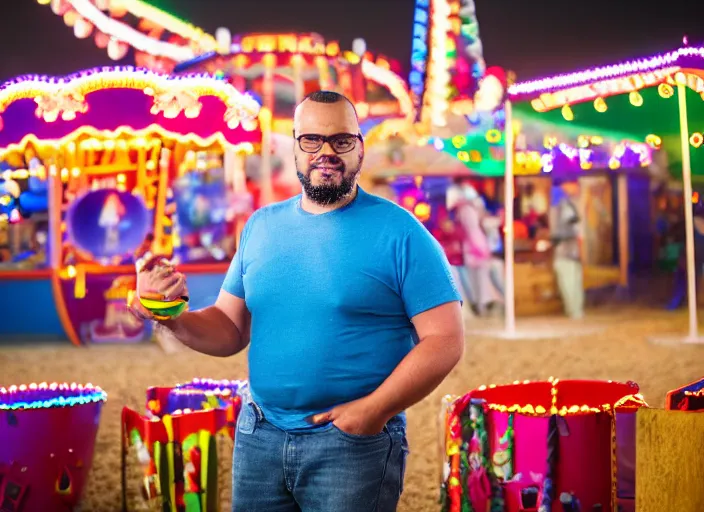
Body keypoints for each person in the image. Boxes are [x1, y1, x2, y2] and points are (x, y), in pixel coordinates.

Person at [129, 90, 464, 512]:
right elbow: (230, 328)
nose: (326, 152)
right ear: (295, 146)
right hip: (258, 434)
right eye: (312, 140)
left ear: (360, 147)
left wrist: (372, 412)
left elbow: (445, 339)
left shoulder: (402, 233)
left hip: (351, 444)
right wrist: (171, 316)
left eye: (341, 140)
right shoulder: (260, 227)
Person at [549, 181, 584, 319]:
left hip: (566, 250)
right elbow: (574, 225)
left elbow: (573, 225)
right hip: (569, 249)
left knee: (570, 280)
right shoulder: (565, 204)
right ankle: (576, 310)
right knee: (572, 280)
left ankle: (575, 311)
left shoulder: (563, 205)